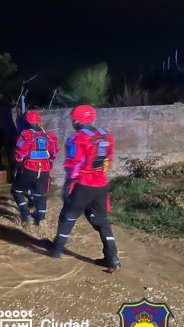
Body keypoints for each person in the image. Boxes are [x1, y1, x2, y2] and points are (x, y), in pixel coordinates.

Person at [50, 104, 121, 272]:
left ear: (76, 120)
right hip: (101, 185)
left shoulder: (77, 138)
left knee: (68, 216)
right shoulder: (106, 137)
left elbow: (73, 165)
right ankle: (113, 259)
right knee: (103, 222)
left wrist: (67, 186)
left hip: (83, 185)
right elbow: (107, 160)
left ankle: (56, 250)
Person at [11, 110, 58, 226]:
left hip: (29, 169)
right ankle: (41, 220)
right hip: (44, 169)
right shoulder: (49, 136)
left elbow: (19, 154)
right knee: (40, 195)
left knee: (17, 191)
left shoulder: (26, 135)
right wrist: (49, 164)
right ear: (38, 121)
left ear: (26, 122)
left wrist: (17, 166)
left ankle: (26, 217)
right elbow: (54, 153)